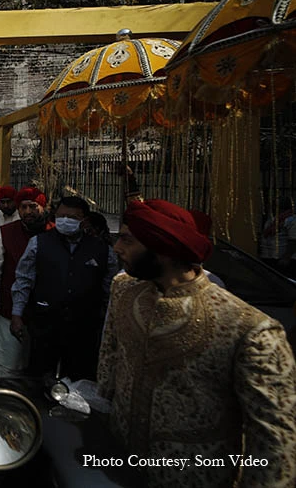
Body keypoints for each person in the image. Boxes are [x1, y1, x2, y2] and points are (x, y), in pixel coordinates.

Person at [99, 198, 296, 488]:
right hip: (117, 468)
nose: (117, 248)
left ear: (164, 249)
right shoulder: (124, 291)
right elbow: (109, 360)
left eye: (127, 240)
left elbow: (274, 444)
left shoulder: (251, 330)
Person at [10, 195, 116, 380]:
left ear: (84, 220)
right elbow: (23, 280)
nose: (66, 221)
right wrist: (17, 314)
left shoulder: (102, 250)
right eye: (61, 216)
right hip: (45, 323)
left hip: (84, 328)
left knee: (80, 379)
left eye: (72, 218)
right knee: (40, 376)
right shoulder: (38, 243)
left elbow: (110, 290)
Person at [0, 187, 51, 377]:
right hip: (8, 307)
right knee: (8, 362)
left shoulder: (53, 233)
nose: (28, 212)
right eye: (23, 207)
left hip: (44, 312)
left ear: (42, 207)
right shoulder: (6, 232)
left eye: (33, 206)